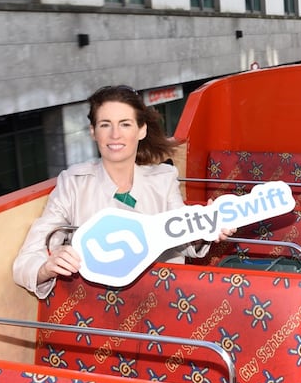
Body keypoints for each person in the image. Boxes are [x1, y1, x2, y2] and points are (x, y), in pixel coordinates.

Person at [12, 85, 227, 299]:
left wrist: (205, 229)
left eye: (125, 124)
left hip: (162, 303)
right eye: (105, 125)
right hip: (97, 309)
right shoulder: (73, 184)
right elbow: (26, 260)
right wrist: (46, 268)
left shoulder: (164, 178)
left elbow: (185, 242)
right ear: (93, 131)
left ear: (141, 130)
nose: (115, 134)